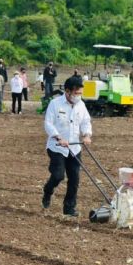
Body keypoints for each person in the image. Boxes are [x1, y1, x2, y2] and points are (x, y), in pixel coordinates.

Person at [42, 77, 92, 217]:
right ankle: (48, 191)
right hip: (57, 147)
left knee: (74, 179)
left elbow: (86, 122)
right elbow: (48, 124)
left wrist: (87, 135)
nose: (78, 96)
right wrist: (58, 137)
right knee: (58, 176)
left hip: (75, 148)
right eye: (76, 93)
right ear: (68, 91)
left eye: (80, 93)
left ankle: (69, 208)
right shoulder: (55, 104)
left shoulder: (80, 105)